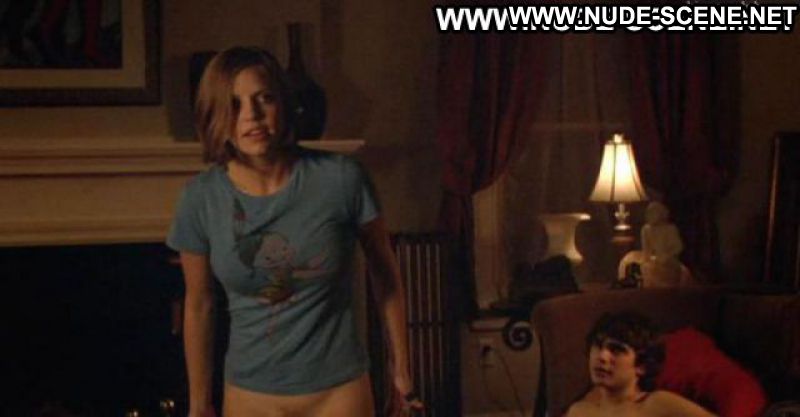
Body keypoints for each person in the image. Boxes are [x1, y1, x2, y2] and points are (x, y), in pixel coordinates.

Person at [167, 46, 421, 417]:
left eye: (264, 98)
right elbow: (199, 304)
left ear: (283, 104)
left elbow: (387, 278)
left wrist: (402, 372)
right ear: (215, 114)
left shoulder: (341, 178)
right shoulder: (200, 198)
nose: (251, 115)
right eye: (234, 104)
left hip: (339, 392)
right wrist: (199, 404)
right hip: (249, 396)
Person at [565, 312, 716, 417]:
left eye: (616, 350)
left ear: (641, 366)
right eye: (598, 346)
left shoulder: (657, 404)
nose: (602, 357)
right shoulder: (578, 411)